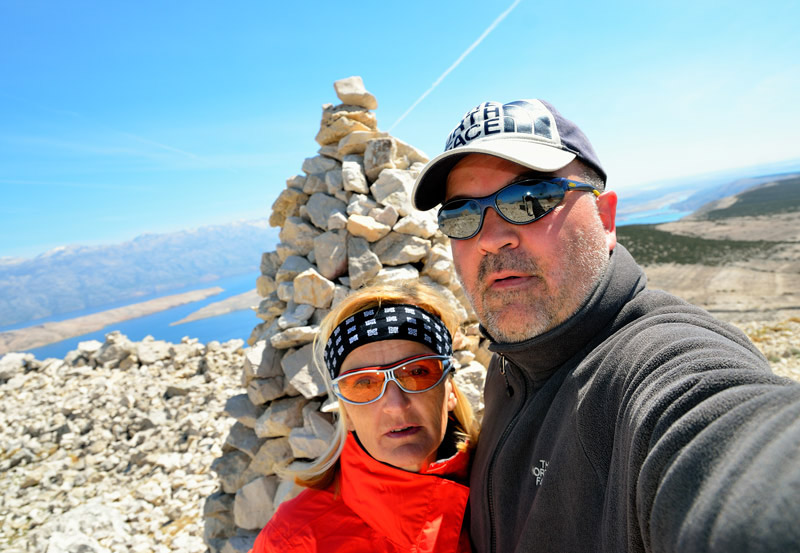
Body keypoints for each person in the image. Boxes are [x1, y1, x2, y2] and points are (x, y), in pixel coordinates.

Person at [411, 99, 800, 552]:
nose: (492, 237)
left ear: (606, 218)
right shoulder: (508, 368)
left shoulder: (652, 363)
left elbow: (722, 434)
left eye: (531, 200)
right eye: (461, 215)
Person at [250, 281, 480, 553]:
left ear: (449, 389)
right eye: (363, 384)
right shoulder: (294, 541)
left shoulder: (510, 481)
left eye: (417, 372)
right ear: (345, 409)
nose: (395, 404)